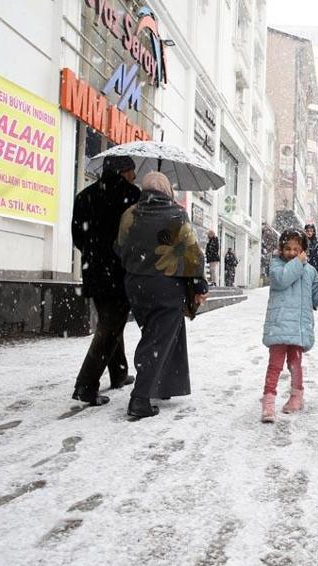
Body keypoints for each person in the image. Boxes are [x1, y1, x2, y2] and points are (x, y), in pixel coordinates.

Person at [114, 171, 209, 418]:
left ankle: (163, 384)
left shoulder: (129, 214)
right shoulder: (176, 214)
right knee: (157, 340)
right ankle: (140, 398)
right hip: (167, 286)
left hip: (136, 286)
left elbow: (120, 248)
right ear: (167, 190)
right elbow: (192, 253)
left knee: (156, 335)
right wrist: (199, 286)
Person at [70, 155, 140, 406]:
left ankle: (119, 373)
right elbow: (136, 234)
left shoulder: (84, 196)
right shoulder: (133, 195)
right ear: (123, 171)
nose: (134, 175)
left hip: (93, 270)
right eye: (132, 170)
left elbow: (78, 235)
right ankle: (86, 386)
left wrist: (94, 254)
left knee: (111, 322)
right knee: (110, 327)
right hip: (119, 271)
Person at [260, 228, 318, 422]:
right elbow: (282, 280)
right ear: (281, 249)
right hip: (279, 324)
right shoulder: (276, 266)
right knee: (275, 365)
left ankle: (296, 396)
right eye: (288, 248)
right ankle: (268, 401)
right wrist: (298, 263)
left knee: (295, 364)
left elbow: (315, 294)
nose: (292, 252)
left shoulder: (309, 271)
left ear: (303, 249)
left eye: (296, 249)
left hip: (299, 326)